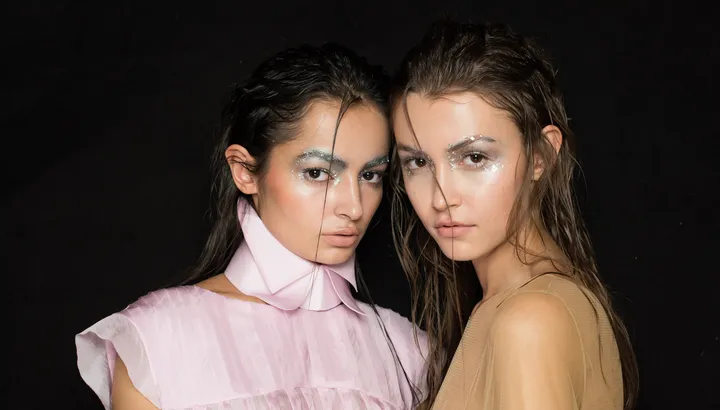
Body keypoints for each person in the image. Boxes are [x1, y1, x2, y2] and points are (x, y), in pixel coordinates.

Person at [76, 43, 427, 410]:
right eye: (317, 173)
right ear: (244, 171)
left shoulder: (409, 352)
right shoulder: (159, 339)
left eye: (371, 175)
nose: (354, 206)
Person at [388, 20, 639, 409]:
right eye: (418, 162)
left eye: (474, 157)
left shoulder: (530, 320)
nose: (441, 197)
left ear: (541, 155)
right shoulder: (514, 304)